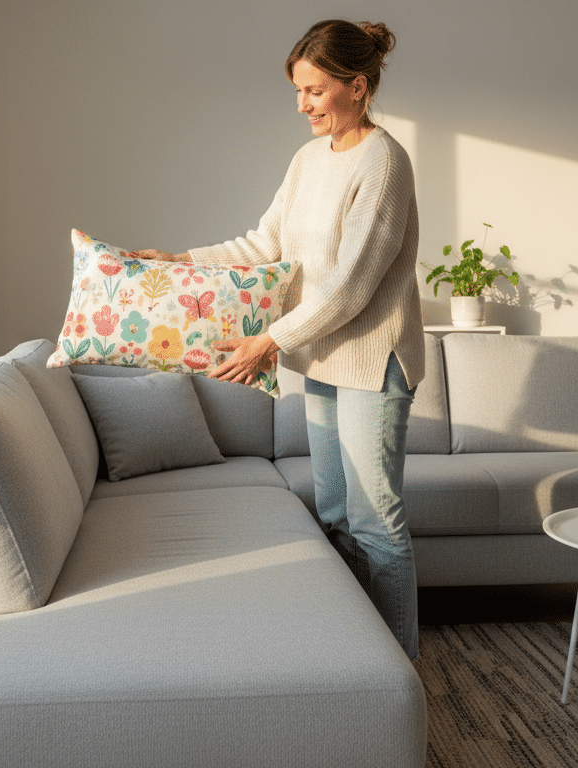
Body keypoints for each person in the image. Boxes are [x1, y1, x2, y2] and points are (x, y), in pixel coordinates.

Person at [131, 19, 425, 660]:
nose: (303, 105)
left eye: (315, 90)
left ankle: (400, 668)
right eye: (298, 90)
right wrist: (182, 259)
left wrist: (268, 343)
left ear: (359, 85)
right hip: (322, 358)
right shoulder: (308, 161)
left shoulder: (383, 164)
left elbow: (351, 288)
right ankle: (353, 655)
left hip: (373, 362)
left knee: (376, 524)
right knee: (335, 516)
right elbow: (264, 246)